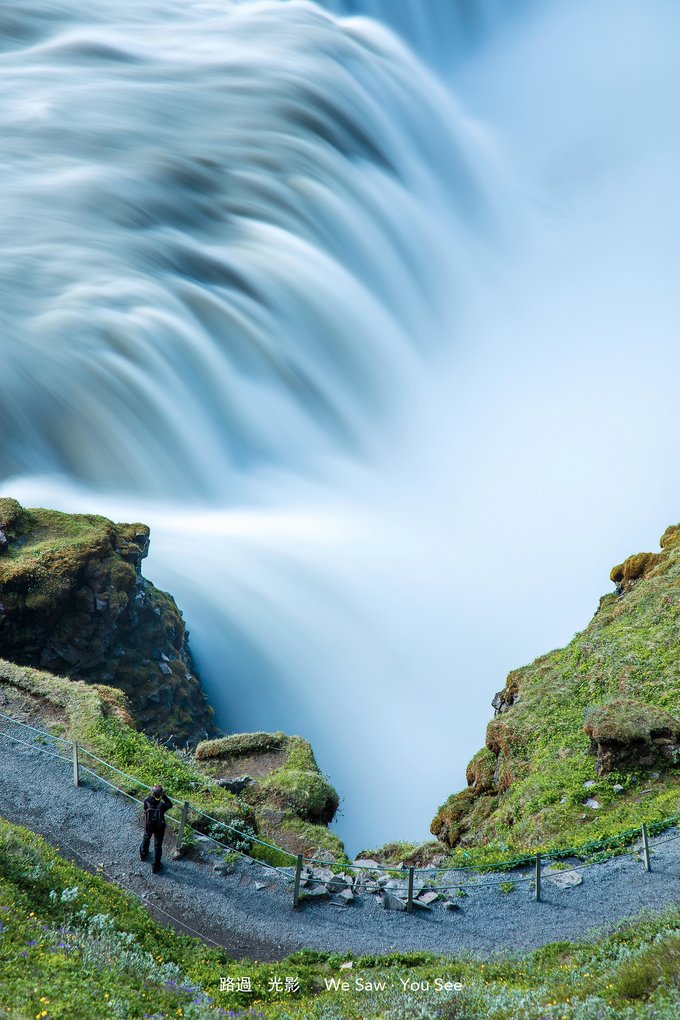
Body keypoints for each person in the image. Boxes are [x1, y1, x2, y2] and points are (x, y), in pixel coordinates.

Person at [140, 785, 172, 873]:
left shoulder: (146, 802)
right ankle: (156, 865)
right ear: (160, 794)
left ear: (152, 793)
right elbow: (170, 804)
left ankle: (143, 854)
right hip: (159, 827)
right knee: (157, 845)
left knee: (146, 838)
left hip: (149, 825)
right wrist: (164, 796)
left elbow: (146, 807)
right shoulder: (162, 805)